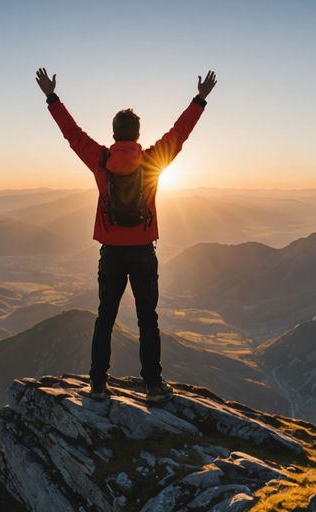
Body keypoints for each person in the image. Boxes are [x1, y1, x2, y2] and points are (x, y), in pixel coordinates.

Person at [35, 67, 217, 404]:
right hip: (144, 251)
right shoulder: (151, 161)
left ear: (115, 134)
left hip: (112, 254)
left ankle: (98, 385)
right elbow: (180, 133)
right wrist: (200, 99)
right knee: (148, 318)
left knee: (106, 316)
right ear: (136, 135)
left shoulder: (100, 160)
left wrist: (52, 97)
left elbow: (72, 134)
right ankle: (153, 385)